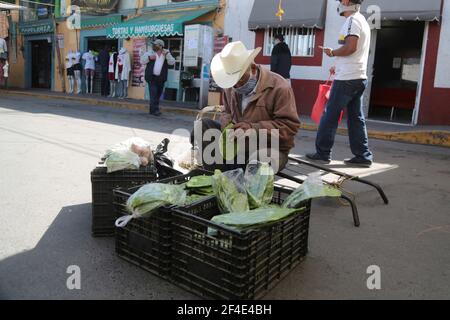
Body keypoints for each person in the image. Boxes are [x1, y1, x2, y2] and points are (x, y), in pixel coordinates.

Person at [191, 41, 300, 173]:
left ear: (253, 69)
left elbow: (289, 127)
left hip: (270, 148)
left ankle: (245, 187)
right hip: (238, 144)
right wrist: (227, 123)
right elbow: (227, 111)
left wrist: (253, 129)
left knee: (261, 159)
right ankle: (217, 178)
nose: (236, 86)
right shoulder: (230, 87)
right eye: (233, 82)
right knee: (202, 126)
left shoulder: (280, 87)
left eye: (240, 79)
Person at [306, 0, 373, 168]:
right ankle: (363, 155)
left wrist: (332, 52)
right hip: (358, 76)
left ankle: (322, 153)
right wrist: (338, 62)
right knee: (356, 117)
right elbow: (354, 52)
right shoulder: (362, 20)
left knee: (330, 115)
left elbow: (350, 47)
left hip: (347, 78)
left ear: (347, 1)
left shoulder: (353, 21)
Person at [140, 39, 175, 116]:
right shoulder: (150, 53)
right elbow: (142, 61)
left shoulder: (166, 53)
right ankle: (155, 110)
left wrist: (167, 55)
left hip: (161, 78)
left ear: (160, 46)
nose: (153, 46)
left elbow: (172, 62)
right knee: (153, 94)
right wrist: (149, 58)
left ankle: (152, 110)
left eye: (155, 45)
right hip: (151, 78)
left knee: (158, 94)